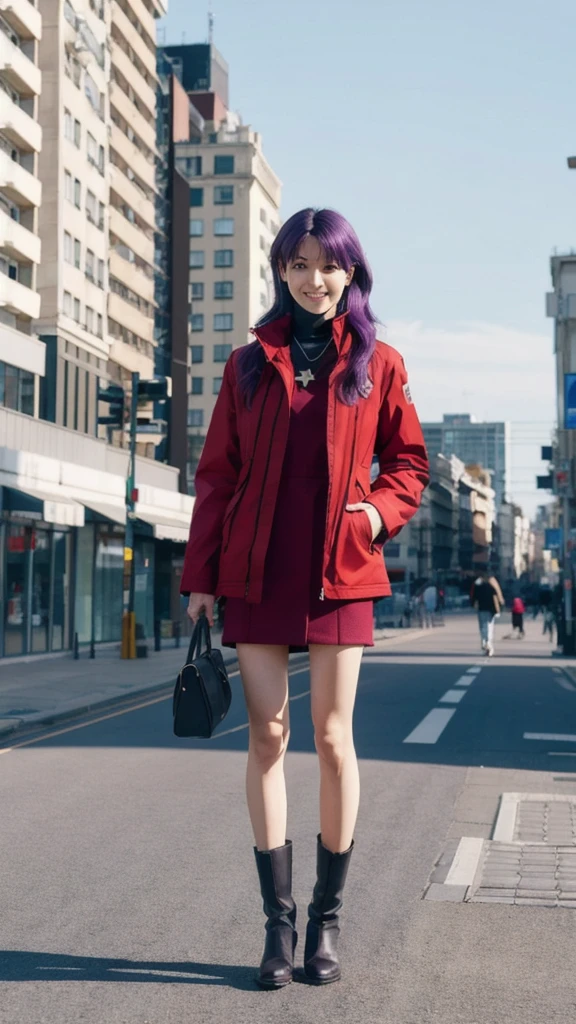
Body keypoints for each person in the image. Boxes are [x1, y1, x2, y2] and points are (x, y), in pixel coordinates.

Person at [180, 208, 429, 989]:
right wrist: (200, 579)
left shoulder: (379, 363)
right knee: (265, 738)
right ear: (281, 272)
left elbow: (410, 465)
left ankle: (326, 923)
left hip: (341, 568)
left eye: (327, 264)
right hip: (256, 568)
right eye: (297, 264)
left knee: (329, 737)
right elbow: (217, 474)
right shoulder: (248, 363)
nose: (312, 278)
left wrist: (374, 513)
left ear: (350, 272)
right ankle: (277, 928)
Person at [471, 573, 501, 656]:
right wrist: (499, 607)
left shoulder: (478, 584)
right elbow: (497, 595)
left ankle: (485, 642)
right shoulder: (492, 584)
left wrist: (473, 604)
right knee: (490, 626)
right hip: (491, 609)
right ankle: (488, 642)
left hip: (481, 608)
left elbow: (474, 596)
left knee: (483, 626)